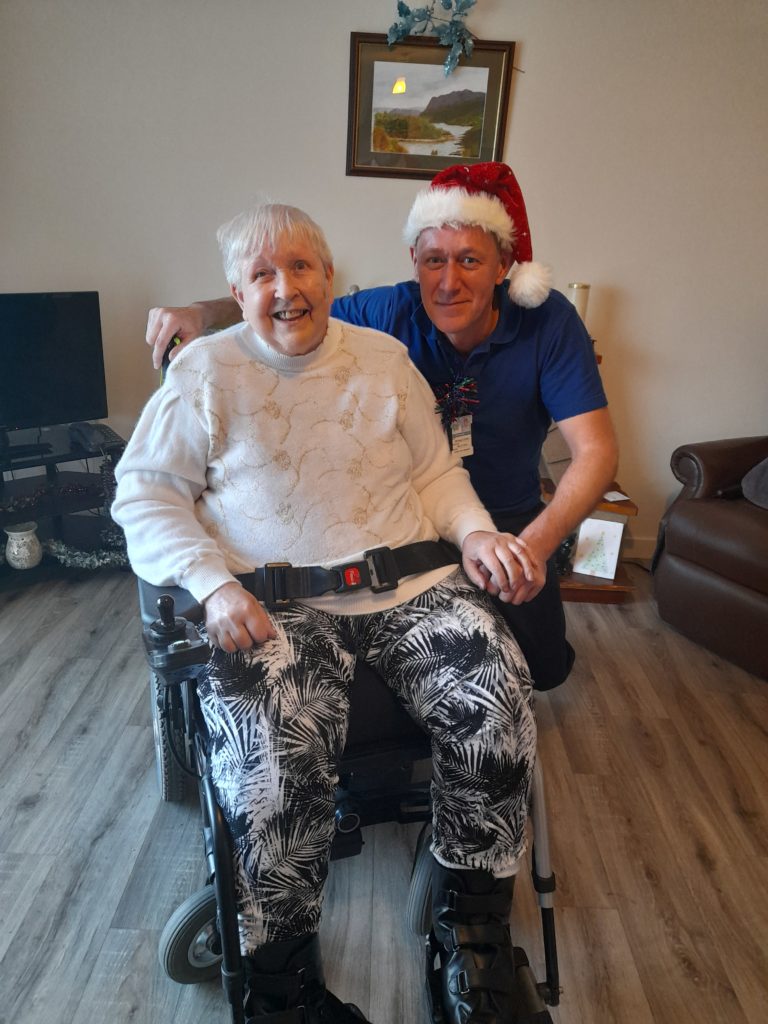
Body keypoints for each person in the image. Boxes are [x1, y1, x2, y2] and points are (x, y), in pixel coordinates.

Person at [114, 201, 542, 1024]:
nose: (285, 288)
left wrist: (479, 532)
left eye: (300, 267)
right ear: (236, 292)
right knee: (274, 762)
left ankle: (472, 940)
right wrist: (213, 586)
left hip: (411, 586)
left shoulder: (384, 359)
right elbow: (147, 496)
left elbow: (433, 476)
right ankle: (282, 985)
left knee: (497, 705)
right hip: (270, 604)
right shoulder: (201, 373)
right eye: (262, 274)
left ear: (329, 277)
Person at [145, 163, 618, 692]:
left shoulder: (546, 321)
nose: (447, 281)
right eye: (434, 260)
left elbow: (595, 453)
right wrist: (202, 313)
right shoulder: (390, 310)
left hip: (504, 516)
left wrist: (531, 545)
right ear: (413, 261)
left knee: (542, 670)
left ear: (503, 265)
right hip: (409, 519)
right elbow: (296, 302)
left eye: (469, 260)